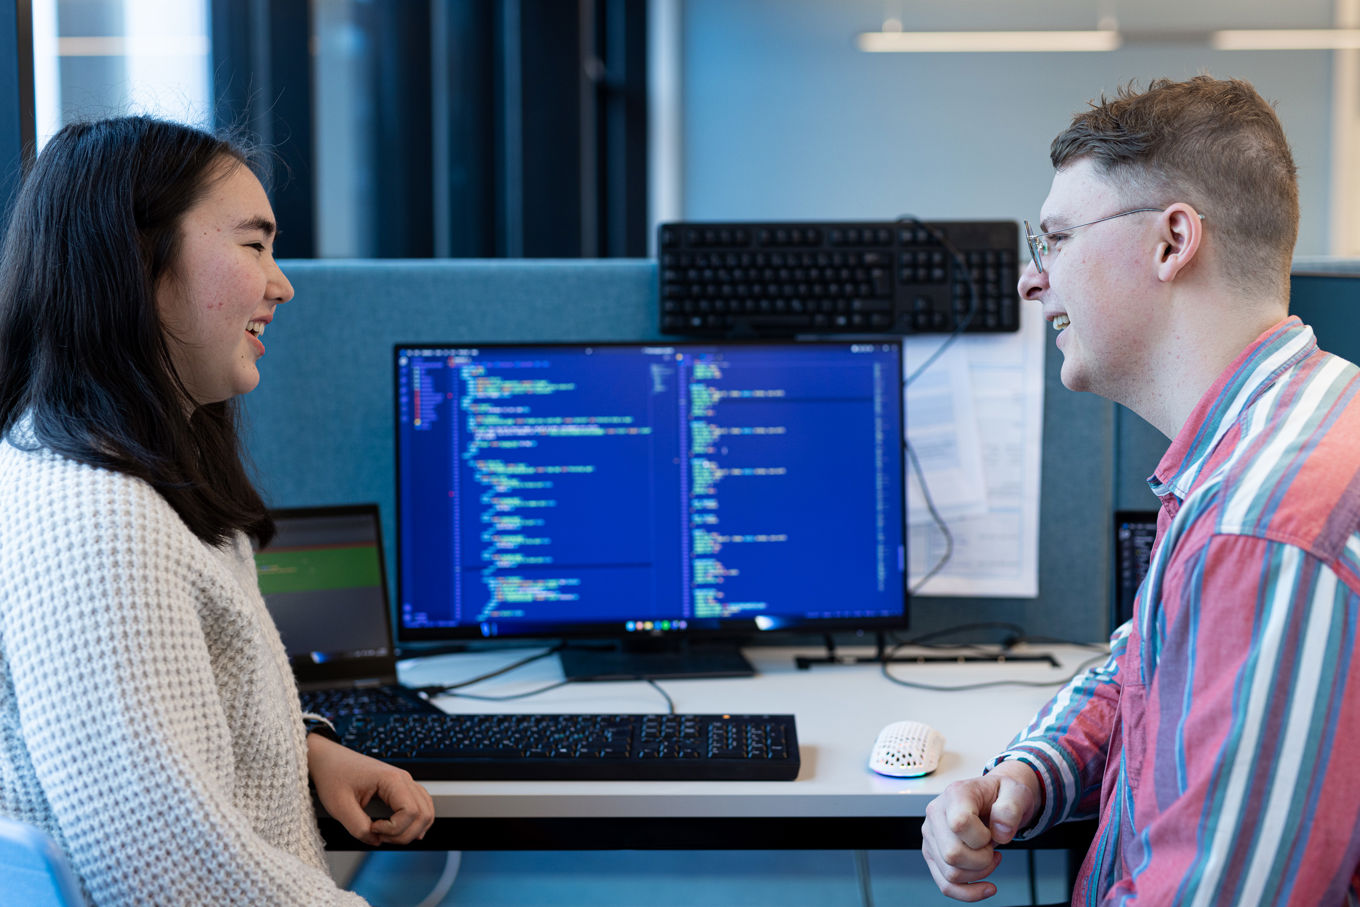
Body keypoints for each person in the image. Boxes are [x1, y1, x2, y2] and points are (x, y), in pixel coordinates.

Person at [922, 76, 1360, 904]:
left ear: (1172, 243)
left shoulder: (1263, 526)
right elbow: (1146, 666)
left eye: (1054, 238)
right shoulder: (1268, 438)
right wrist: (1031, 770)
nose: (1031, 280)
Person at [0, 116, 434, 904]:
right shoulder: (100, 520)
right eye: (254, 244)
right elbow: (171, 877)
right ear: (140, 260)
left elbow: (150, 739)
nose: (283, 282)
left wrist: (305, 748)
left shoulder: (129, 463)